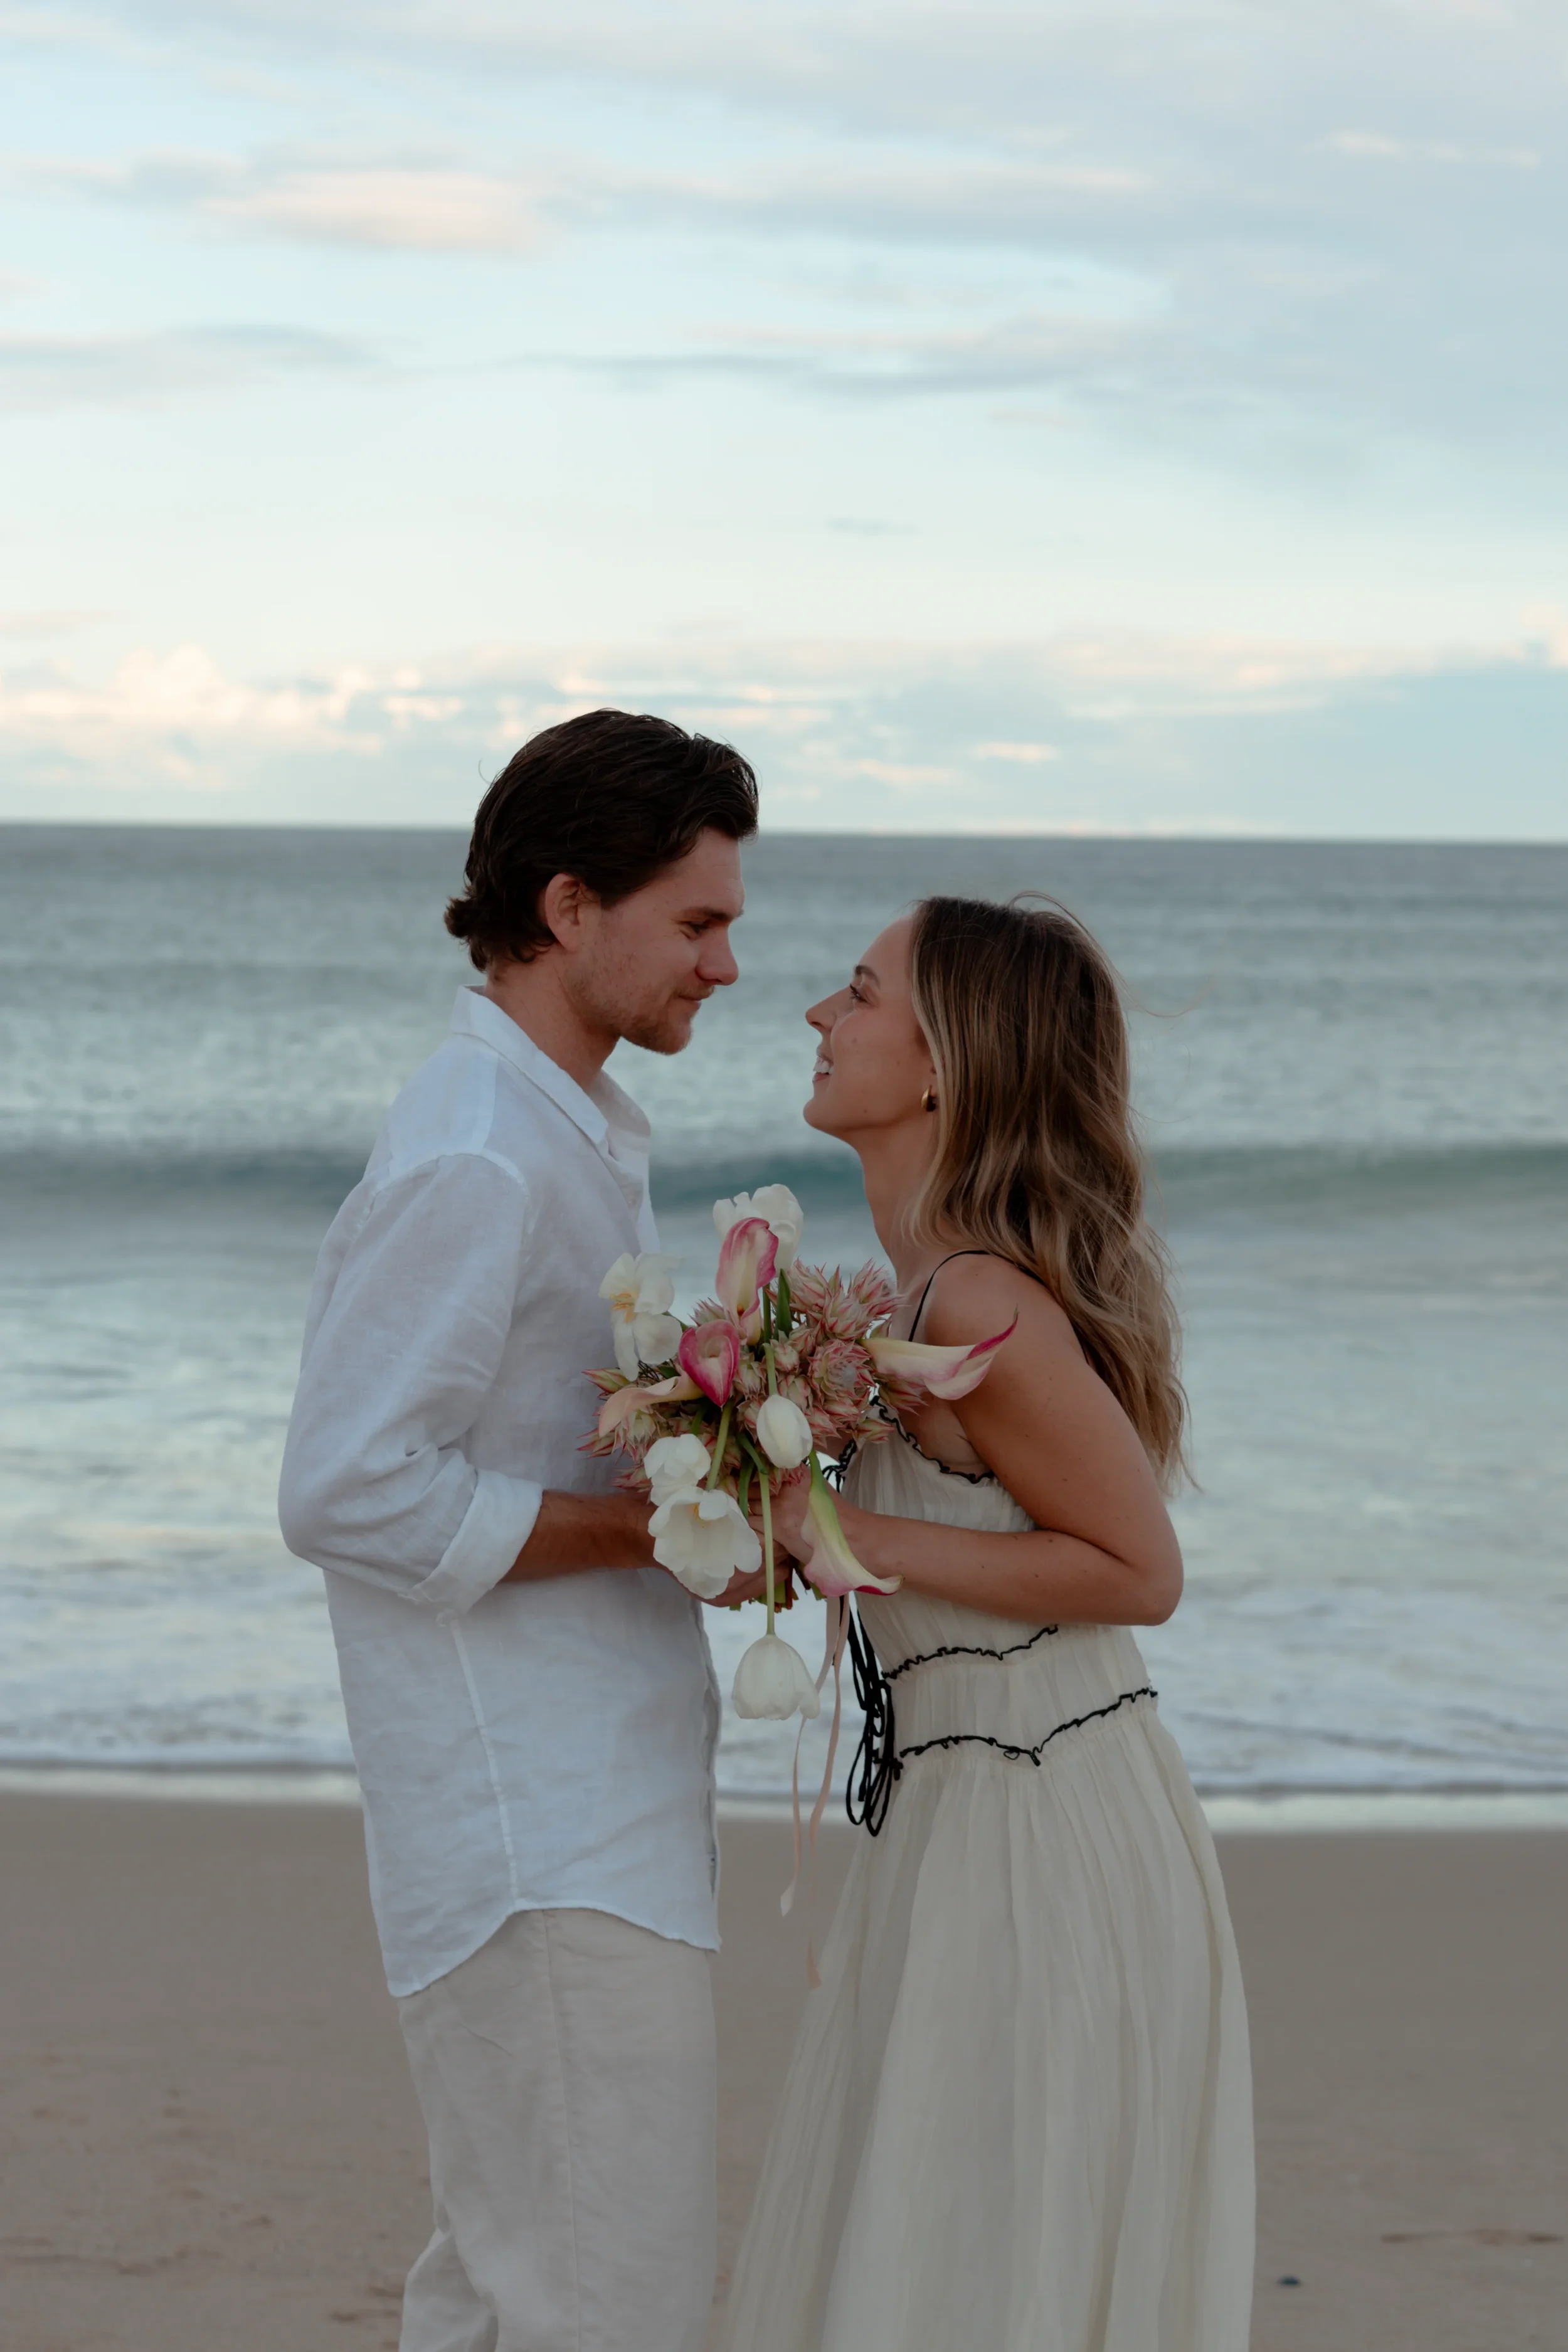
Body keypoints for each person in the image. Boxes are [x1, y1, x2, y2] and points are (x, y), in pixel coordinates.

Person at [278, 707, 764, 2352]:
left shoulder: (564, 1124)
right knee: (593, 2292)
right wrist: (639, 1530)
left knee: (513, 2285)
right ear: (570, 909)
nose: (725, 966)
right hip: (532, 1826)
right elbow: (345, 1483)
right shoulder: (481, 1151)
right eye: (697, 923)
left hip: (586, 1800)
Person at [721, 896, 1254, 2352]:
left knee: (973, 2255)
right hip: (967, 1814)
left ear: (944, 1064)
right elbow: (948, 1556)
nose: (819, 1018)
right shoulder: (914, 1299)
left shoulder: (975, 1300)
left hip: (1045, 1819)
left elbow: (1135, 1570)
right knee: (943, 2241)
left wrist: (836, 1534)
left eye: (856, 992)